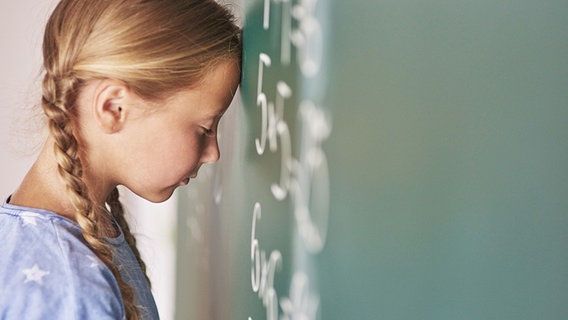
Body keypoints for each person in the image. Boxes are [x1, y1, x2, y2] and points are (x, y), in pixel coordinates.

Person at [0, 0, 241, 319]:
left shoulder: (46, 240)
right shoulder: (72, 290)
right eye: (205, 128)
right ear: (114, 108)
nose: (213, 154)